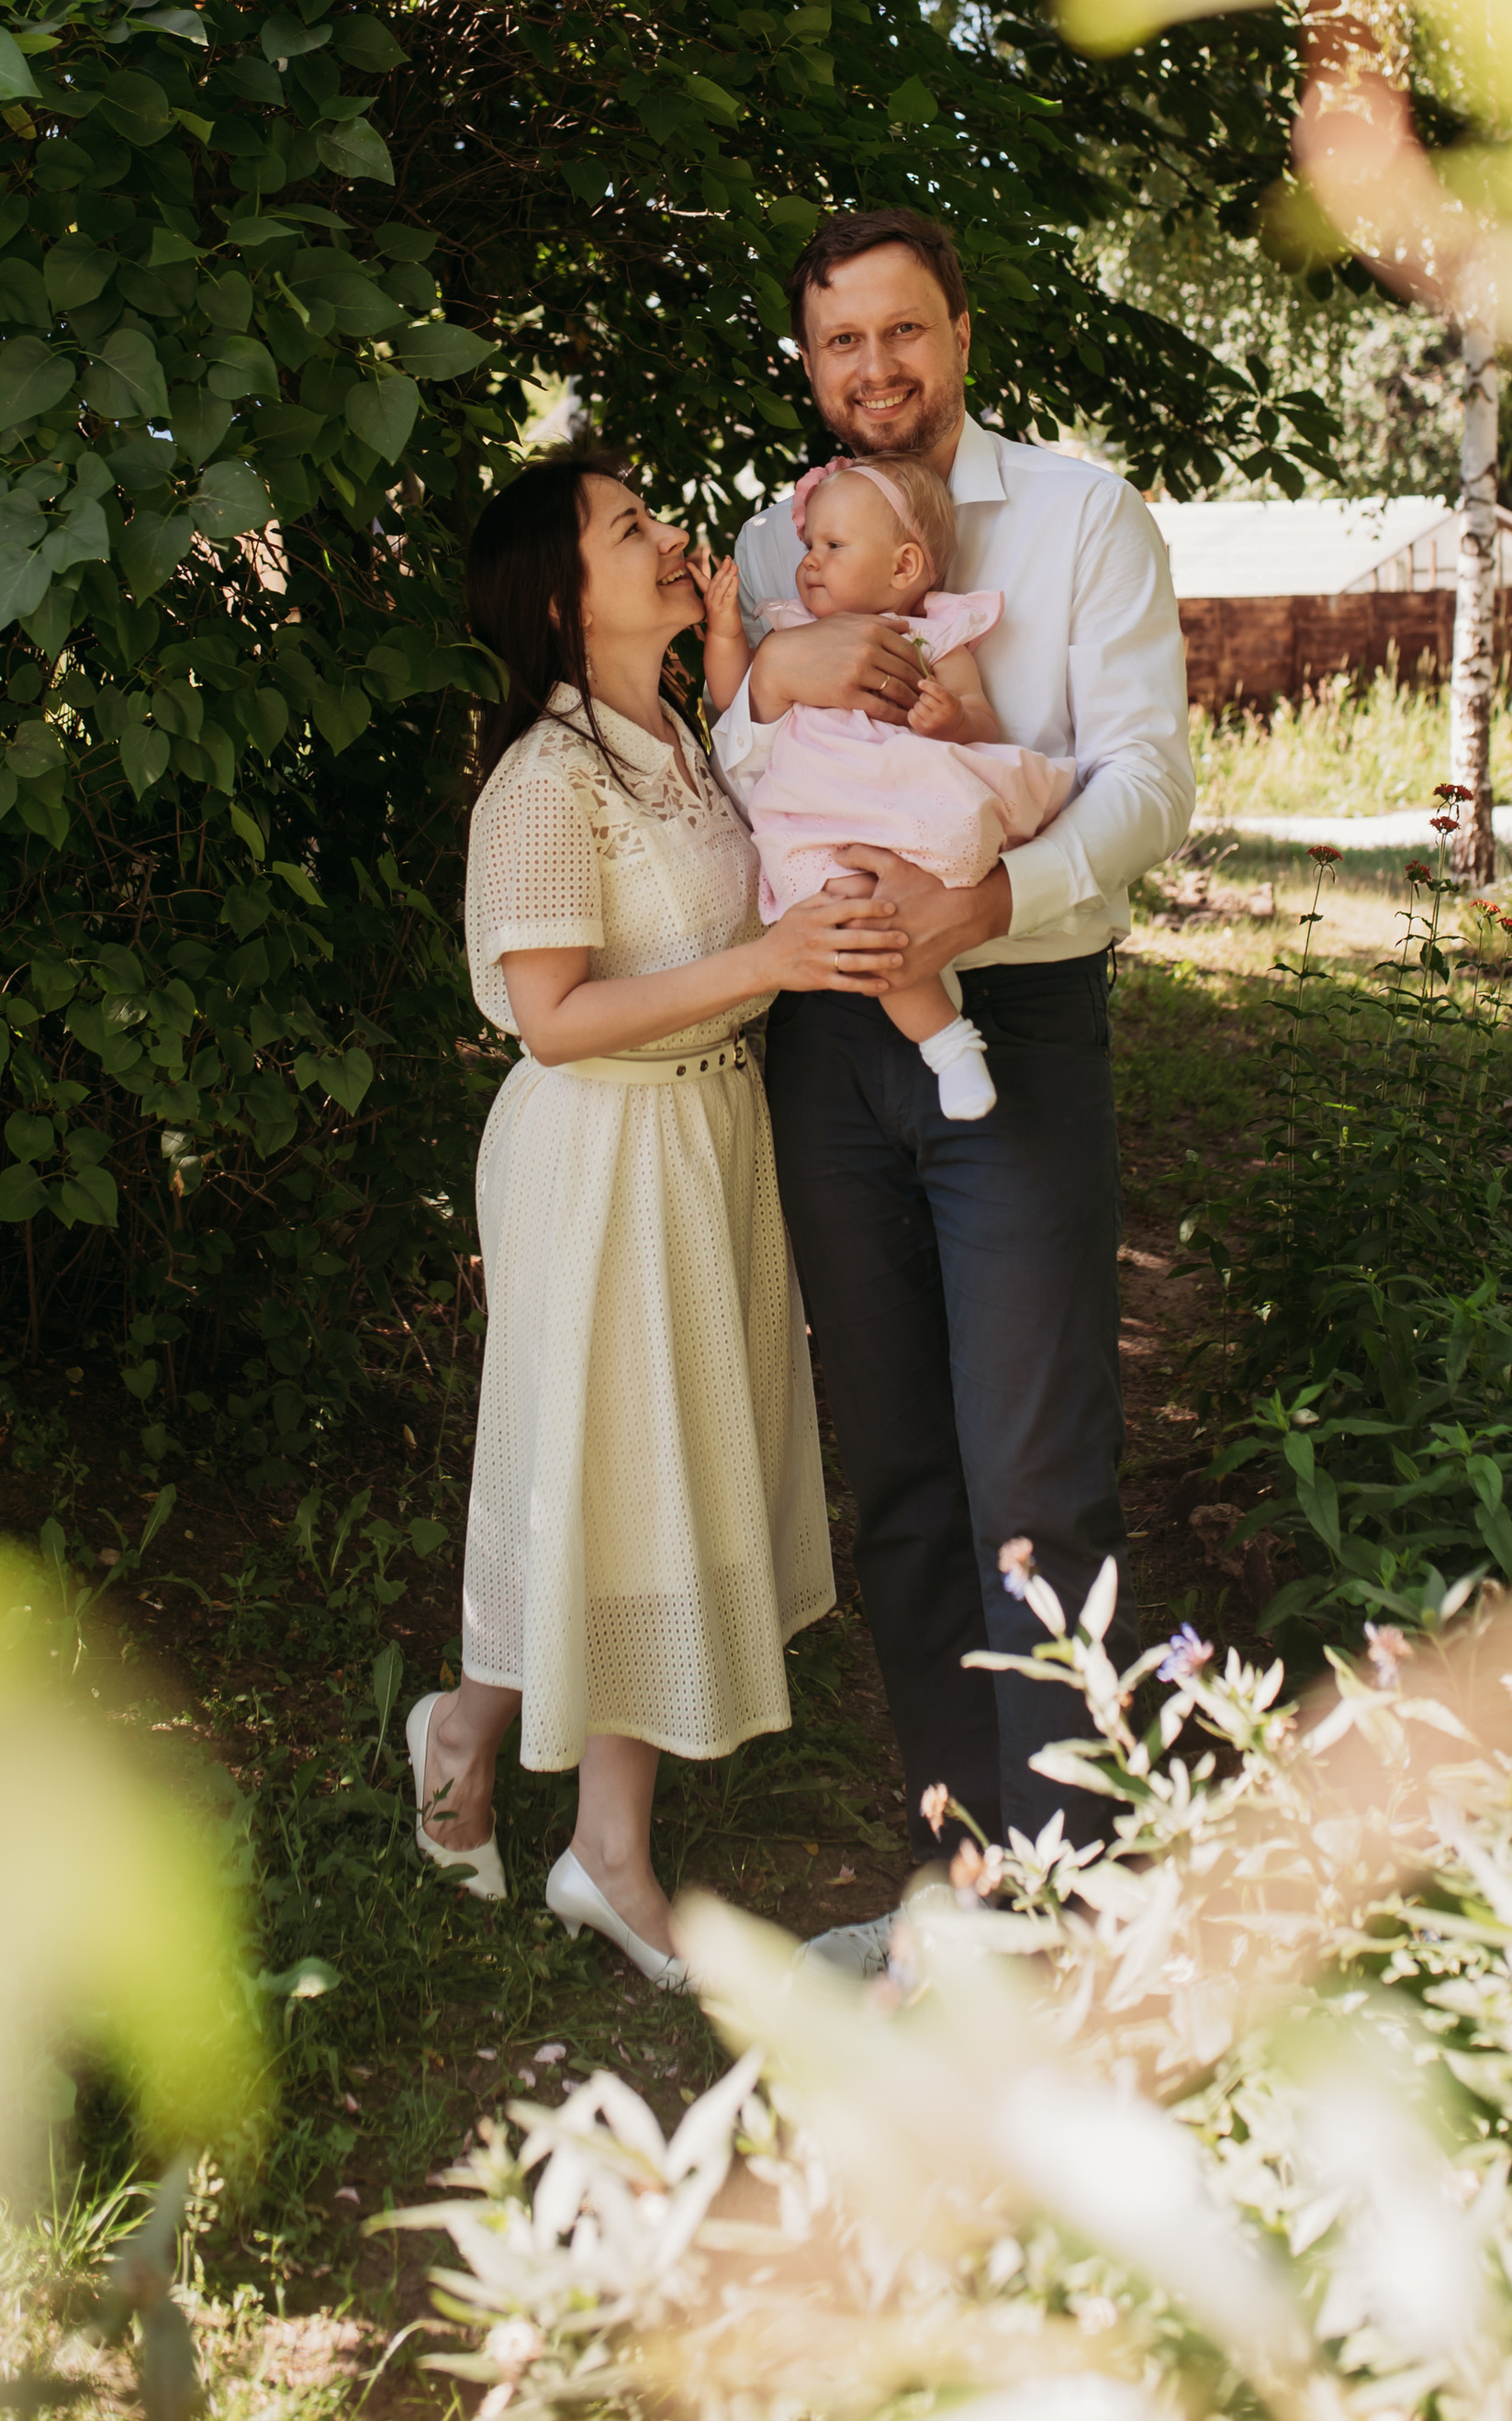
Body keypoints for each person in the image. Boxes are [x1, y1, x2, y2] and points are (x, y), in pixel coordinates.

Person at [710, 211, 1195, 1955]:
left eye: (903, 334)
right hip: (827, 1039)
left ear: (963, 336)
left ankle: (1068, 1899)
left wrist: (993, 895)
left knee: (1038, 1470)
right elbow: (724, 763)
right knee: (902, 1467)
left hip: (1022, 1023)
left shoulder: (1078, 518)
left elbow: (1147, 778)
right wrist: (768, 669)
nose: (874, 373)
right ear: (813, 359)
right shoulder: (780, 543)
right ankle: (964, 1870)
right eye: (842, 344)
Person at [406, 451, 908, 1989]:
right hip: (603, 1151)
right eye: (632, 527)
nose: (670, 536)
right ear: (562, 597)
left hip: (703, 1133)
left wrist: (717, 654)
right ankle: (606, 1853)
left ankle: (467, 1726)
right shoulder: (543, 776)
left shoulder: (672, 733)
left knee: (641, 1461)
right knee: (619, 1468)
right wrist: (767, 961)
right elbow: (550, 1017)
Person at [701, 451, 1072, 1124]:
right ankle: (947, 1041)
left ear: (903, 567)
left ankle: (942, 1000)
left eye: (833, 545)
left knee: (922, 877)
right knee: (857, 917)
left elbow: (980, 716)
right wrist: (727, 633)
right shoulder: (792, 630)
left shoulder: (933, 637)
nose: (809, 559)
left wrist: (953, 719)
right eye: (809, 544)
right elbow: (733, 701)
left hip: (905, 804)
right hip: (821, 820)